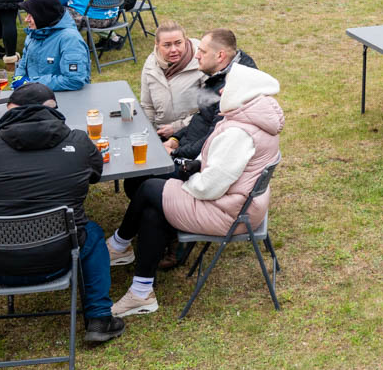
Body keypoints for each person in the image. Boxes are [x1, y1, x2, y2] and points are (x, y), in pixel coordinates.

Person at [0, 80, 123, 368]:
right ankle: (98, 318)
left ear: (11, 111)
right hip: (60, 257)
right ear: (53, 109)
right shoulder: (79, 141)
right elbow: (95, 172)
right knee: (92, 233)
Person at [109, 62, 284, 317]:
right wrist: (195, 166)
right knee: (153, 211)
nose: (222, 93)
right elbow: (225, 164)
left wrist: (184, 181)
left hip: (228, 213)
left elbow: (211, 186)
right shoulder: (251, 118)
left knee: (148, 188)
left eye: (228, 88)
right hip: (238, 203)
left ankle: (118, 246)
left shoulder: (240, 131)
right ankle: (140, 290)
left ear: (243, 92)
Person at [165, 30, 257, 160]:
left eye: (202, 52)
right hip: (188, 147)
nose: (197, 56)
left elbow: (212, 141)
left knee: (142, 177)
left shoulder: (230, 91)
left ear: (220, 56)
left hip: (197, 162)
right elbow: (202, 118)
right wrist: (175, 139)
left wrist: (175, 153)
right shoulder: (219, 76)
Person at [14, 0, 91, 92]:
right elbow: (23, 63)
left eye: (30, 15)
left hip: (64, 98)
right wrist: (18, 80)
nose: (26, 19)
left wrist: (31, 84)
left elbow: (74, 80)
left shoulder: (70, 39)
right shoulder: (34, 33)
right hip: (34, 94)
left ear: (43, 15)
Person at [140, 22, 205, 141]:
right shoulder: (150, 66)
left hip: (192, 132)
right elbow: (147, 106)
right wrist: (149, 134)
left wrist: (177, 127)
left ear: (185, 41)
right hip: (159, 133)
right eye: (167, 45)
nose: (174, 49)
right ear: (157, 45)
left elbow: (208, 109)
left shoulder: (202, 64)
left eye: (178, 43)